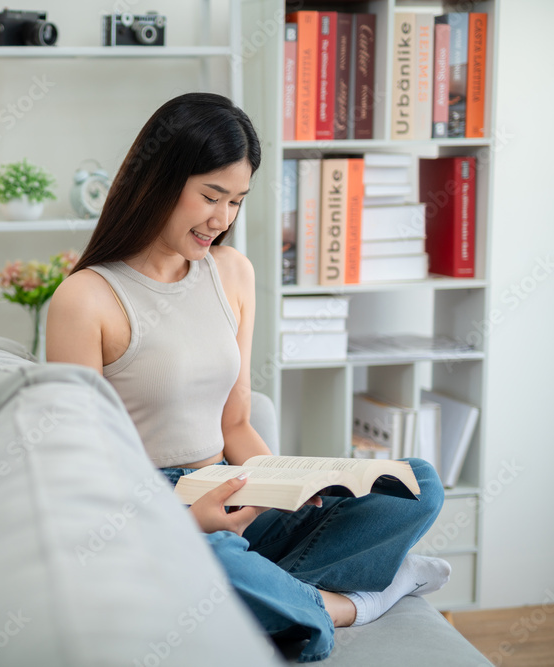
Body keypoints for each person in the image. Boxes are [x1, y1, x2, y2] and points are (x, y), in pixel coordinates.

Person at [45, 92, 449, 662]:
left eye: (236, 201)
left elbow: (235, 420)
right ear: (158, 180)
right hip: (153, 511)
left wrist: (290, 485)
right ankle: (344, 605)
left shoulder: (232, 273)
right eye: (211, 196)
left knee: (416, 484)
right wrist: (187, 521)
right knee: (217, 557)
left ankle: (268, 594)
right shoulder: (85, 300)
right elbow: (78, 471)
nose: (222, 219)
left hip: (235, 490)